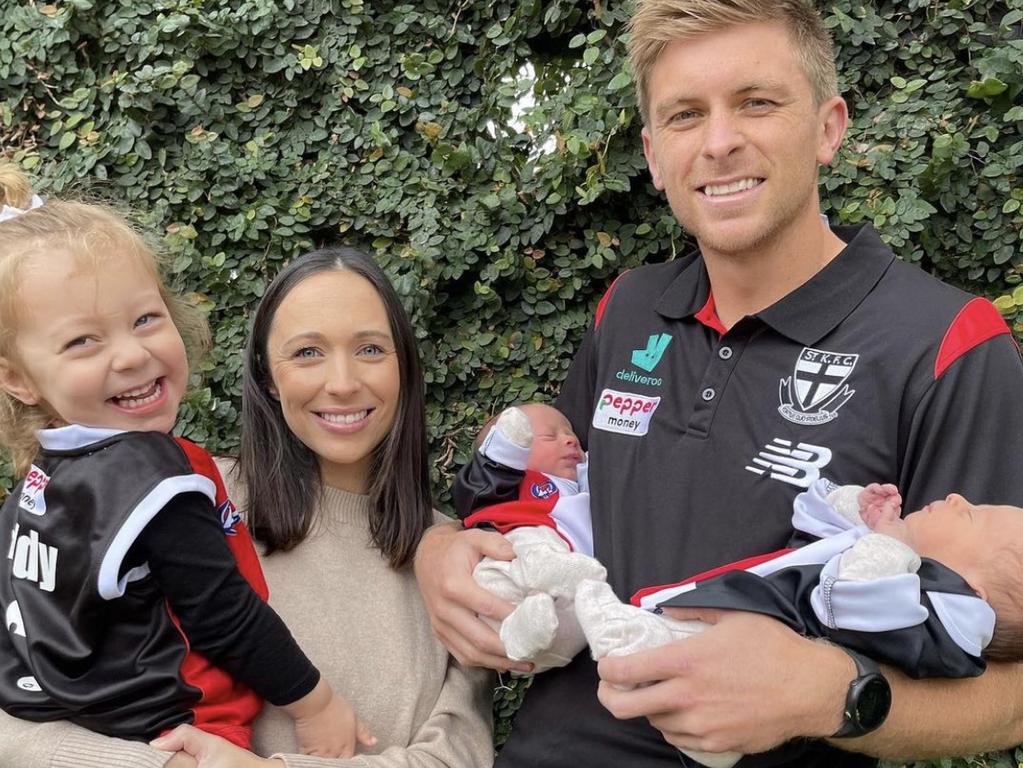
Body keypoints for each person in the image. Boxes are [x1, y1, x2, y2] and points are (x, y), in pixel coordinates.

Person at [412, 1, 1023, 766]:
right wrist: (442, 549)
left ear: (828, 127)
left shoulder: (946, 341)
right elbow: (545, 500)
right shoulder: (627, 306)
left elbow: (1011, 691)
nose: (720, 142)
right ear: (653, 153)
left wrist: (830, 694)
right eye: (684, 116)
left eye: (756, 103)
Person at [0, 245, 494, 767]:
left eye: (371, 349)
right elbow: (21, 698)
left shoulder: (452, 562)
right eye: (307, 352)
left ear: (405, 367)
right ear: (265, 377)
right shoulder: (168, 498)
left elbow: (456, 756)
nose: (344, 382)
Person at [0, 166, 370, 757]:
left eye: (146, 319)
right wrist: (317, 704)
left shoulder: (40, 484)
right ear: (17, 379)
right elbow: (223, 615)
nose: (131, 353)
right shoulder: (152, 478)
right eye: (82, 341)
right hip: (181, 729)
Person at [454, 403, 602, 672]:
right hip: (518, 553)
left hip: (570, 594)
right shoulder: (512, 481)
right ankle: (521, 622)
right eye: (549, 436)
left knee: (579, 617)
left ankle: (533, 626)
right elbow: (478, 487)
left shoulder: (586, 478)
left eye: (572, 437)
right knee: (497, 575)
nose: (570, 440)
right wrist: (503, 453)